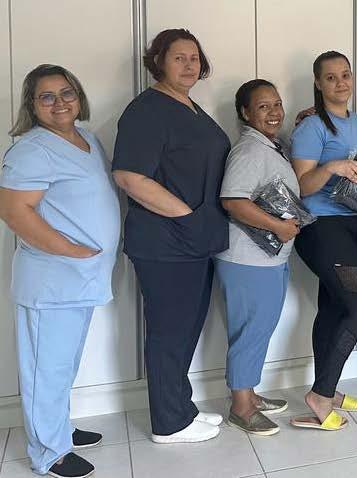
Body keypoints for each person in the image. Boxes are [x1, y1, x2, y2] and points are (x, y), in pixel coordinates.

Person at [0, 64, 119, 478]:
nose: (59, 103)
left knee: (62, 365)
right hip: (52, 280)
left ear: (79, 97)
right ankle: (49, 453)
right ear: (32, 105)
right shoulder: (31, 150)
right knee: (45, 370)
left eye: (67, 93)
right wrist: (71, 250)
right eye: (46, 97)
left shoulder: (87, 139)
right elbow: (14, 212)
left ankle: (59, 429)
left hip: (82, 277)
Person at [112, 28, 230, 444]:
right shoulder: (147, 110)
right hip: (166, 241)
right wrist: (188, 217)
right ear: (158, 61)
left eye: (194, 57)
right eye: (179, 57)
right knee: (168, 332)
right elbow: (129, 176)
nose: (189, 65)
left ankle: (182, 407)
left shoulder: (191, 107)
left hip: (196, 239)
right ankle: (168, 422)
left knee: (186, 329)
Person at [289, 51, 357, 431]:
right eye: (331, 77)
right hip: (322, 228)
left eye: (346, 75)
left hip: (356, 224)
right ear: (318, 83)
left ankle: (327, 386)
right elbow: (300, 185)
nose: (340, 83)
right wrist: (331, 167)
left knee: (332, 308)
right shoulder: (311, 127)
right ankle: (320, 395)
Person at [215, 79, 299, 436]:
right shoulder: (249, 150)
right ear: (245, 113)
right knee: (250, 331)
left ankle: (249, 393)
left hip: (266, 258)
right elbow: (233, 201)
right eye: (263, 106)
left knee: (259, 328)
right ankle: (241, 407)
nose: (274, 112)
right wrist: (277, 227)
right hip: (247, 260)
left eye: (277, 104)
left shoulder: (270, 146)